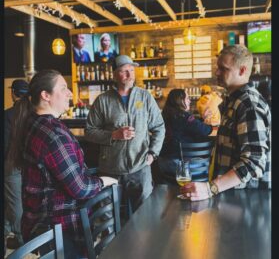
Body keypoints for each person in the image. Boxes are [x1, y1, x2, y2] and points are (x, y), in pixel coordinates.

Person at [7, 70, 117, 258]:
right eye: (64, 88)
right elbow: (80, 188)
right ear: (46, 96)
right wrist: (105, 181)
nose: (70, 93)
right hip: (59, 227)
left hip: (40, 223)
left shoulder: (33, 122)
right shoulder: (53, 134)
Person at [182, 45, 271, 201]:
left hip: (248, 199)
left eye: (223, 69)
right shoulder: (233, 100)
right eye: (218, 68)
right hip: (232, 194)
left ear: (242, 71)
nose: (217, 72)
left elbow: (254, 162)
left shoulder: (248, 105)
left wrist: (211, 188)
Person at [85, 55, 165, 213]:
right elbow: (89, 131)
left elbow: (159, 127)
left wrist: (153, 154)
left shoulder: (145, 97)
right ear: (114, 75)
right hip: (110, 169)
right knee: (107, 217)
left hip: (140, 168)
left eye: (131, 70)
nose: (129, 74)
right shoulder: (103, 100)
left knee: (145, 216)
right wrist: (113, 135)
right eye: (123, 71)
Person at [158, 88, 213, 178]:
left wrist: (202, 119)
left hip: (163, 164)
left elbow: (186, 126)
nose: (190, 101)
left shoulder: (165, 115)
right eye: (187, 98)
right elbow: (205, 130)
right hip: (179, 166)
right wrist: (211, 126)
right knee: (212, 165)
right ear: (179, 100)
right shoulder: (183, 116)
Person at [4, 80, 29, 250]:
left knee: (15, 205)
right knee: (15, 203)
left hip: (12, 165)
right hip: (30, 165)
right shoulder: (34, 112)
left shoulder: (7, 114)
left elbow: (5, 145)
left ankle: (23, 243)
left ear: (13, 93)